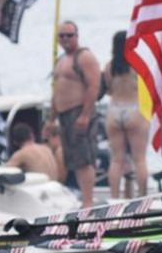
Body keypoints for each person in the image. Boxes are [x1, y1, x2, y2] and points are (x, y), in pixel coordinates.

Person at [45, 21, 101, 207]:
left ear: (77, 36)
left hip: (79, 113)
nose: (66, 39)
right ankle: (84, 199)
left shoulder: (84, 57)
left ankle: (88, 201)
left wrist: (85, 115)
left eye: (70, 35)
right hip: (63, 115)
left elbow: (94, 86)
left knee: (84, 159)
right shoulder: (60, 61)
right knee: (73, 159)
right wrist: (51, 120)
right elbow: (56, 92)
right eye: (62, 36)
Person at [102, 30, 149, 199]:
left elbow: (108, 89)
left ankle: (114, 198)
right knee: (139, 159)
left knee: (116, 160)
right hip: (134, 110)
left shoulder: (109, 66)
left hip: (114, 111)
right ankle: (143, 196)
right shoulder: (136, 64)